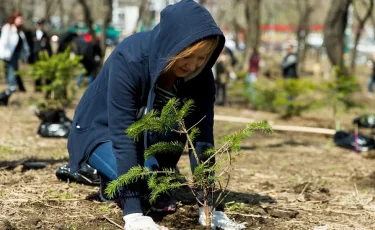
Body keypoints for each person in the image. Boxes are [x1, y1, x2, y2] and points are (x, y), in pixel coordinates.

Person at [67, 1, 245, 229]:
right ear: (174, 43)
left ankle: (136, 177)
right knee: (144, 185)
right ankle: (103, 177)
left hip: (147, 137)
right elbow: (122, 133)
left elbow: (201, 138)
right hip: (102, 130)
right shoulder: (130, 60)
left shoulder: (201, 78)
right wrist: (133, 214)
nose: (193, 66)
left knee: (158, 188)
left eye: (202, 58)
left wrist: (208, 205)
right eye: (188, 56)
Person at [0, 12, 30, 93]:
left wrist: (26, 53)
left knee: (13, 71)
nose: (21, 21)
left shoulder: (20, 30)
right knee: (11, 71)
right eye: (20, 19)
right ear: (14, 19)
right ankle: (11, 88)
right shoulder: (8, 27)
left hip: (16, 54)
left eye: (22, 19)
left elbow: (24, 44)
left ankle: (13, 87)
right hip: (8, 54)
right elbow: (3, 41)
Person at [30, 18, 52, 92]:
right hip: (35, 55)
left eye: (41, 24)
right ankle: (38, 88)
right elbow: (30, 45)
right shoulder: (32, 34)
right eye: (38, 24)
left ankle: (46, 88)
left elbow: (48, 47)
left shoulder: (45, 35)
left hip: (43, 55)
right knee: (37, 72)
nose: (39, 26)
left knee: (45, 72)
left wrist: (49, 55)